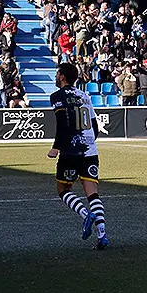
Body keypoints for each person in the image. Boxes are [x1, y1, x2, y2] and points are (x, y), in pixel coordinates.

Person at [47, 63, 109, 250]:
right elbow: (94, 125)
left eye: (58, 74)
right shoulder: (85, 96)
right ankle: (102, 235)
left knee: (63, 189)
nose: (56, 77)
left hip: (70, 150)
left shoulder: (57, 96)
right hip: (90, 150)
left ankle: (85, 215)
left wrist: (56, 147)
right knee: (93, 193)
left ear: (63, 77)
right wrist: (89, 142)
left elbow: (62, 123)